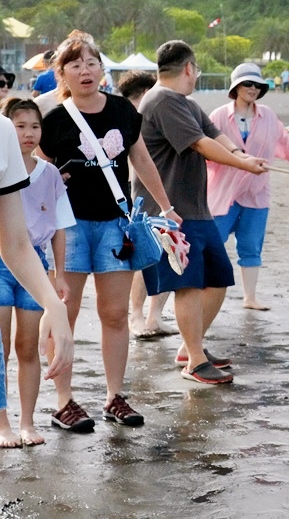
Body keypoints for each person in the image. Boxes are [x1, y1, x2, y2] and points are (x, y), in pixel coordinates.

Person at [38, 37, 179, 430]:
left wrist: (165, 206)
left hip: (116, 224)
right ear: (62, 73)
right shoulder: (54, 120)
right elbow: (40, 173)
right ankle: (64, 401)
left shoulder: (121, 110)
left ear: (102, 69)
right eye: (75, 65)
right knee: (63, 313)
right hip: (68, 229)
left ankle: (115, 396)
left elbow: (141, 160)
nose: (85, 70)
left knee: (114, 314)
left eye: (91, 63)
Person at [134, 40, 267, 385]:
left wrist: (242, 154)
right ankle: (194, 360)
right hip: (170, 211)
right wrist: (242, 164)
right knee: (188, 285)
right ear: (189, 68)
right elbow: (199, 144)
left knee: (218, 279)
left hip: (197, 208)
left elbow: (215, 135)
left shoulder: (186, 103)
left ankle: (190, 346)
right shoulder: (161, 100)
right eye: (196, 70)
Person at [0, 98, 75, 448]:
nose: (28, 133)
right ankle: (3, 424)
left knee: (27, 347)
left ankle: (26, 422)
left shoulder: (47, 174)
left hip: (32, 264)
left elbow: (31, 237)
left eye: (35, 126)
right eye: (21, 126)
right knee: (1, 349)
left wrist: (55, 290)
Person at [208, 63, 289, 311]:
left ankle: (250, 298)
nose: (253, 89)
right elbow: (206, 152)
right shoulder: (218, 116)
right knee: (212, 242)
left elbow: (288, 150)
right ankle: (202, 288)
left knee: (251, 246)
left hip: (257, 194)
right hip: (223, 193)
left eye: (258, 85)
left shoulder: (268, 115)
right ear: (236, 87)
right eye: (248, 84)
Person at [117, 72, 177, 340]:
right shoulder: (129, 119)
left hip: (169, 192)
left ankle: (155, 316)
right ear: (141, 95)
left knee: (169, 254)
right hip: (142, 195)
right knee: (144, 256)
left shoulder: (158, 113)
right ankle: (137, 315)